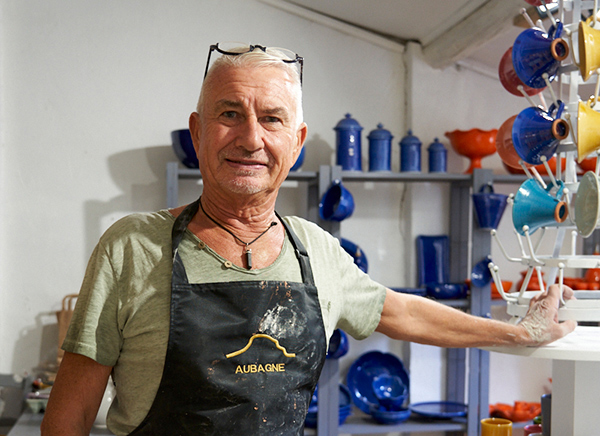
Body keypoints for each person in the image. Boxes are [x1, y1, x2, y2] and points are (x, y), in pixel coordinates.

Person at [41, 43, 576, 436]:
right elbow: (69, 416)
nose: (251, 138)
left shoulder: (316, 250)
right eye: (229, 114)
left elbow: (404, 313)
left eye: (271, 119)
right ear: (198, 132)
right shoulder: (132, 248)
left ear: (295, 144)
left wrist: (519, 333)